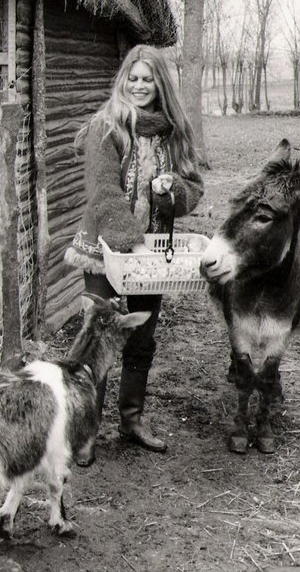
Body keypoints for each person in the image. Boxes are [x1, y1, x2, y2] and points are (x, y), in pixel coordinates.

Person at [63, 44, 204, 453]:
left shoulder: (172, 131)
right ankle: (85, 431)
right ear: (123, 80)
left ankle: (131, 421)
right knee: (97, 338)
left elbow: (194, 187)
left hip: (151, 253)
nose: (139, 86)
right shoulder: (105, 127)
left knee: (141, 336)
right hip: (105, 248)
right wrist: (131, 243)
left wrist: (171, 191)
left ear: (160, 85)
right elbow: (103, 191)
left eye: (148, 79)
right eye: (133, 78)